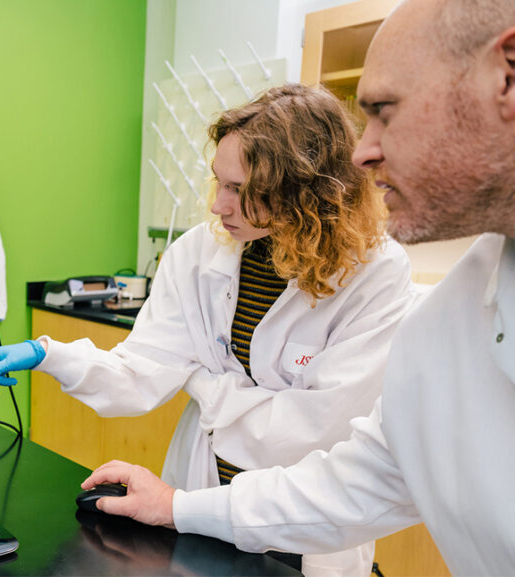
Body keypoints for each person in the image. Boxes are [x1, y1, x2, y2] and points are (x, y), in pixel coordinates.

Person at [80, 0, 515, 574]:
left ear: (506, 75)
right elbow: (363, 479)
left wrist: (206, 388)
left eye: (385, 109)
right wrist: (178, 507)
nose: (362, 153)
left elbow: (312, 436)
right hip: (227, 513)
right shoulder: (459, 313)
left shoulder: (392, 282)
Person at [0, 83, 415, 575]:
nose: (219, 205)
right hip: (198, 502)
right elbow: (144, 371)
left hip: (304, 526)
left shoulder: (375, 274)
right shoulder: (200, 254)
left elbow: (310, 431)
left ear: (304, 191)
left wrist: (204, 385)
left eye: (241, 190)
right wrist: (49, 355)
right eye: (220, 182)